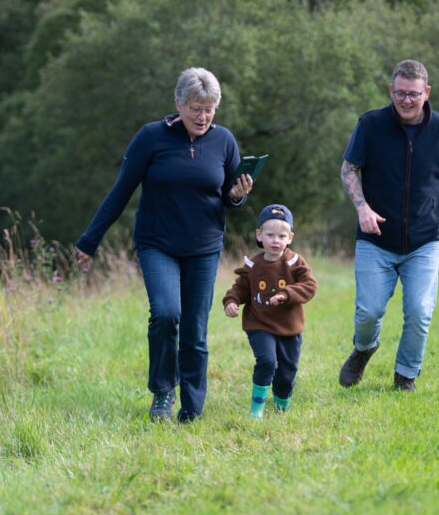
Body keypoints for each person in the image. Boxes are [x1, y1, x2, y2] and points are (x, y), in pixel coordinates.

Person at [75, 67, 254, 423]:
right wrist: (89, 241)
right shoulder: (150, 138)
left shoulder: (224, 141)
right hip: (158, 243)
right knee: (166, 313)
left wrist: (237, 196)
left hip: (204, 246)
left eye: (209, 109)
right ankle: (162, 392)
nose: (202, 117)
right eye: (195, 108)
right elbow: (121, 192)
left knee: (194, 329)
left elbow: (229, 195)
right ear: (178, 103)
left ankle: (192, 405)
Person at [338, 59, 439, 392]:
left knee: (421, 310)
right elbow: (349, 169)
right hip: (375, 238)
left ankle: (405, 374)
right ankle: (364, 348)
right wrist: (362, 208)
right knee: (368, 313)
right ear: (390, 91)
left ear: (426, 92)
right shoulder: (370, 124)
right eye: (399, 94)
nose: (406, 101)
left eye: (413, 94)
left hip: (424, 240)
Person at [223, 204, 317, 418]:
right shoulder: (253, 265)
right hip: (259, 324)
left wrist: (287, 294)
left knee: (286, 372)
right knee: (267, 362)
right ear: (259, 235)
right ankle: (256, 410)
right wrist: (232, 300)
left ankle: (281, 408)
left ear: (290, 237)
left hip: (289, 326)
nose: (276, 240)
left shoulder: (295, 262)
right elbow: (241, 288)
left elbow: (310, 286)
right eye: (270, 234)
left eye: (282, 236)